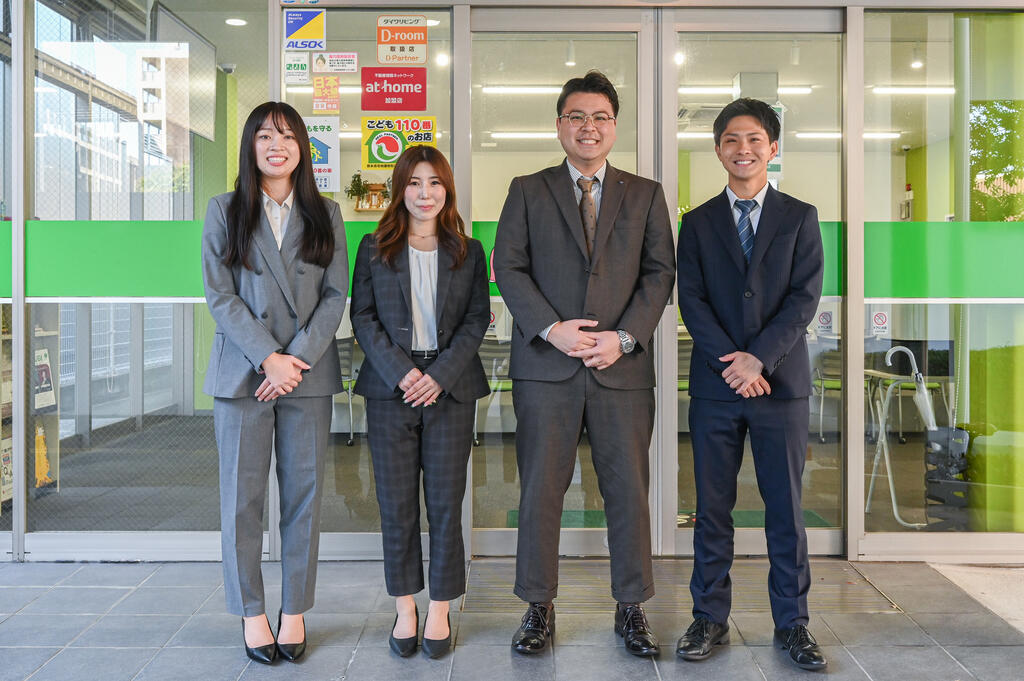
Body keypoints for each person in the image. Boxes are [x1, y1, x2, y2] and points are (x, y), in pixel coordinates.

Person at [493, 71, 676, 657]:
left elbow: (659, 274)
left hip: (620, 370)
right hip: (548, 367)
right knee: (541, 491)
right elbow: (508, 266)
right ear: (559, 125)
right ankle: (537, 607)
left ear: (614, 127)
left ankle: (632, 609)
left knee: (627, 490)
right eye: (576, 116)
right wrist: (552, 328)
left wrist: (622, 338)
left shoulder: (645, 193)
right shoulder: (528, 188)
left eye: (599, 117)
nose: (588, 127)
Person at [675, 97, 827, 671]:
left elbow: (803, 299)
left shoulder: (799, 216)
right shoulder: (696, 222)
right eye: (732, 140)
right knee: (712, 508)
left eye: (755, 140)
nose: (744, 150)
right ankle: (709, 617)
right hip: (717, 389)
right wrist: (730, 362)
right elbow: (692, 298)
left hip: (779, 386)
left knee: (785, 507)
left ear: (773, 147)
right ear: (718, 149)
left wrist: (758, 360)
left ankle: (793, 624)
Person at [201, 101, 347, 665]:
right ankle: (252, 613)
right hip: (244, 375)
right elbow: (221, 295)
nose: (276, 145)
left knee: (304, 501)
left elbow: (335, 296)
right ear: (251, 145)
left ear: (303, 147)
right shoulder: (225, 209)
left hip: (305, 378)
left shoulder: (324, 212)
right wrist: (268, 358)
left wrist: (295, 360)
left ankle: (295, 611)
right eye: (265, 135)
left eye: (287, 135)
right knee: (242, 499)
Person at [351, 145, 490, 659]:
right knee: (396, 506)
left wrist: (439, 374)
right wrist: (405, 372)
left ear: (446, 190)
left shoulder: (468, 251)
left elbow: (478, 319)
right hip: (391, 390)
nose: (424, 193)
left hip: (450, 389)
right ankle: (405, 604)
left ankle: (440, 607)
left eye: (434, 183)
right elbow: (363, 318)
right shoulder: (373, 248)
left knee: (445, 504)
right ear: (400, 189)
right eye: (414, 183)